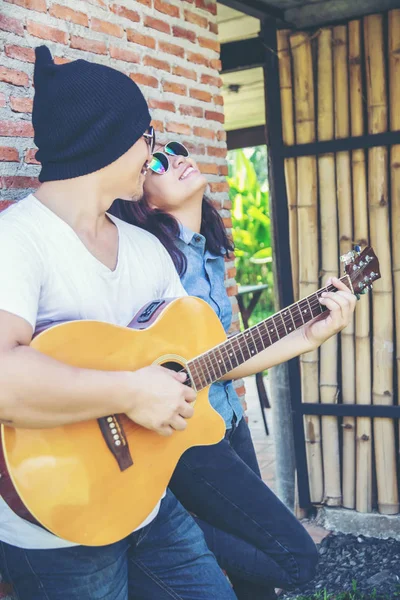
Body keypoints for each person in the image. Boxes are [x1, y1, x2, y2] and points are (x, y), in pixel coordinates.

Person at [0, 47, 239, 600]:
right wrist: (131, 391)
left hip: (147, 503)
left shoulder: (143, 247)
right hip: (57, 527)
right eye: (146, 138)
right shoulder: (17, 242)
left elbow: (201, 350)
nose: (151, 153)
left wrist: (304, 331)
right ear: (107, 141)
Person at [111, 140, 357, 600]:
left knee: (255, 580)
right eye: (158, 162)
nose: (179, 159)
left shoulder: (205, 252)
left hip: (228, 420)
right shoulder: (149, 261)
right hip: (187, 440)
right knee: (295, 559)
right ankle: (153, 530)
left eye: (178, 149)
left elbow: (222, 357)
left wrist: (312, 329)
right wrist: (308, 337)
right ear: (139, 196)